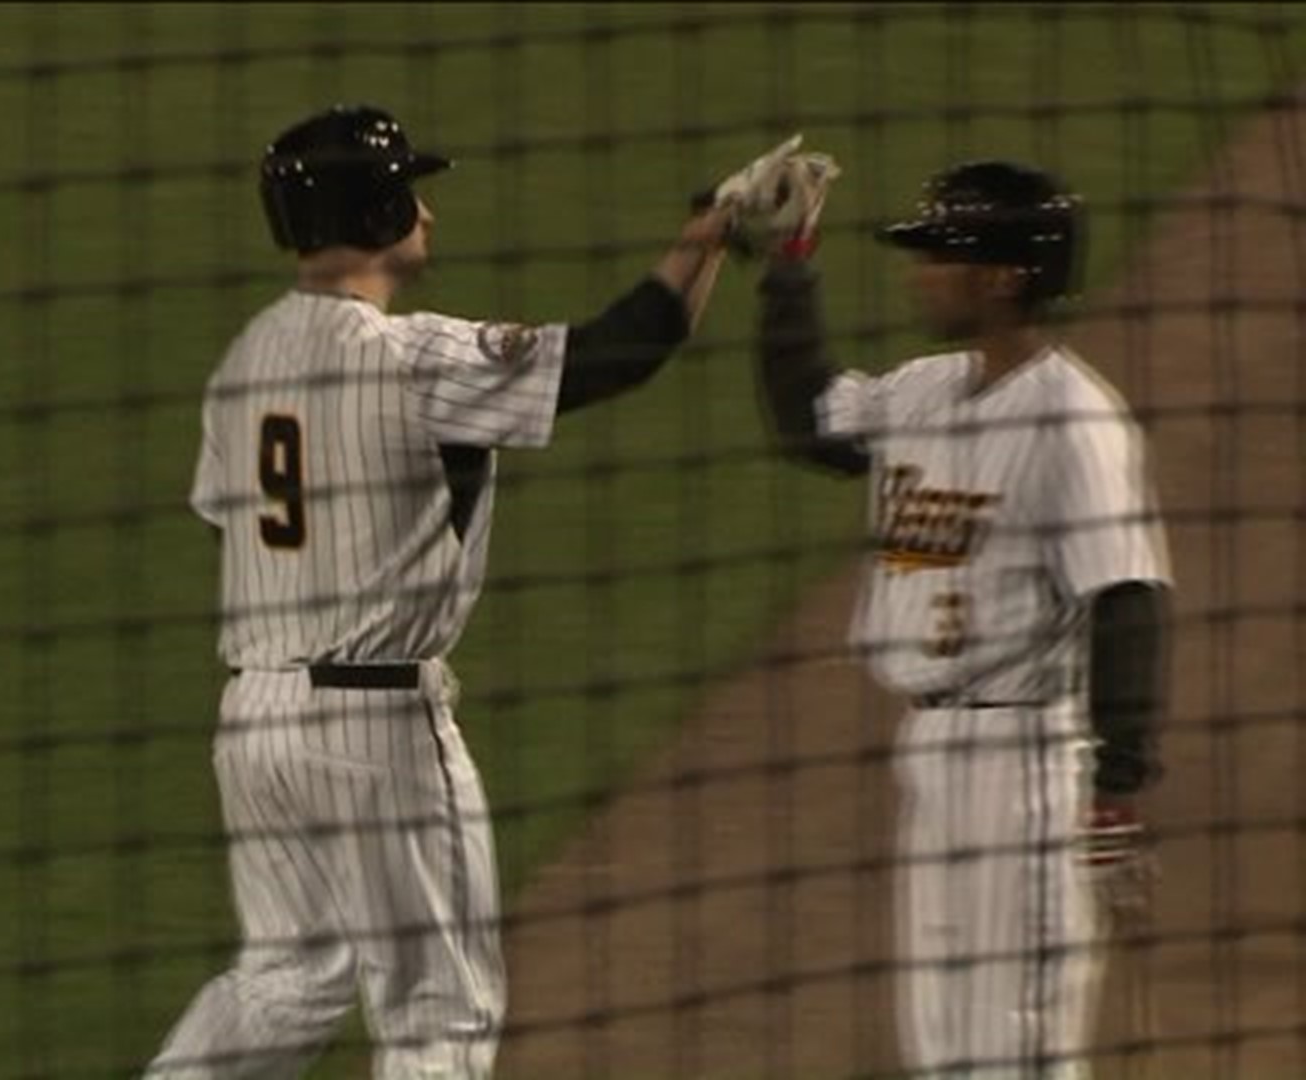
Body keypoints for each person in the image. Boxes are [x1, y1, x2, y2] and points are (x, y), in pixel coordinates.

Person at [146, 103, 733, 1078]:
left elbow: (227, 514)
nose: (426, 210)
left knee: (290, 975)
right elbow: (613, 354)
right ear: (375, 208)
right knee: (439, 1012)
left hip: (254, 718)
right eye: (410, 190)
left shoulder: (244, 361)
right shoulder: (409, 357)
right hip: (373, 723)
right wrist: (705, 241)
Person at [751, 159, 1173, 1077]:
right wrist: (790, 261)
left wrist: (1118, 786)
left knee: (1013, 1049)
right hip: (933, 757)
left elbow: (1127, 596)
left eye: (941, 253)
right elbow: (807, 418)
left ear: (1006, 275)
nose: (920, 270)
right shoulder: (925, 389)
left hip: (1024, 770)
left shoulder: (1076, 420)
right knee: (943, 1047)